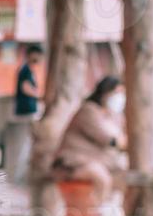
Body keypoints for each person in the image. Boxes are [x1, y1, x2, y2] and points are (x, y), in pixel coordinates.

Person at [52, 74, 127, 203]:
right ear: (105, 92)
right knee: (101, 178)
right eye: (116, 93)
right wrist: (122, 142)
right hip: (71, 163)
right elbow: (108, 139)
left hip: (95, 161)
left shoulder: (110, 115)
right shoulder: (89, 110)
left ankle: (109, 213)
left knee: (123, 176)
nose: (119, 98)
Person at [14, 44, 43, 117]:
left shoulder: (28, 69)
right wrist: (38, 95)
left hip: (28, 109)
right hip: (25, 110)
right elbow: (25, 87)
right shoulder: (25, 69)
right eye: (38, 55)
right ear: (31, 54)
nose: (39, 58)